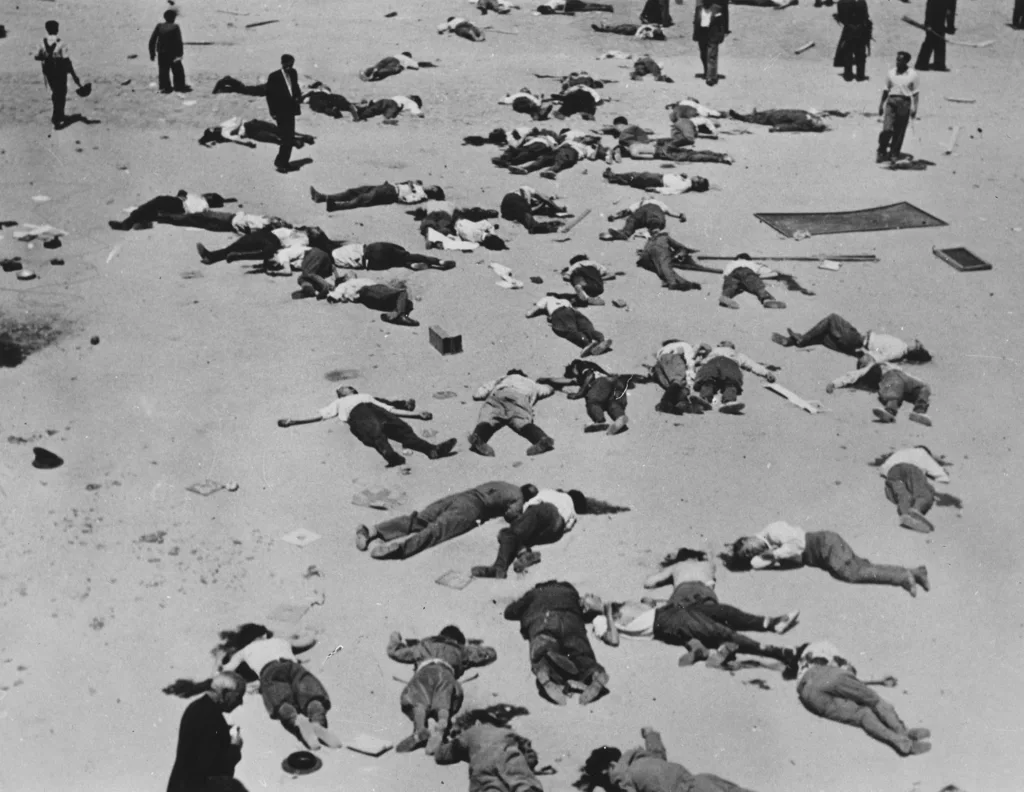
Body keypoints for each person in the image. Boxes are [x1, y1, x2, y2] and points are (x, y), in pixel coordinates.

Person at [216, 625, 343, 751]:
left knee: (280, 701)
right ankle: (318, 722)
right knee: (311, 693)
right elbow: (307, 642)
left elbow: (226, 669)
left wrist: (219, 659)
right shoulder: (281, 641)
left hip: (269, 671)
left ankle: (298, 722)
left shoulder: (244, 651)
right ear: (264, 635)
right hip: (293, 666)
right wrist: (310, 633)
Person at [795, 641, 932, 756]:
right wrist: (875, 683)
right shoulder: (822, 645)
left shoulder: (800, 663)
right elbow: (847, 672)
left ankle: (904, 745)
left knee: (862, 715)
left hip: (806, 695)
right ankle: (904, 732)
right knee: (874, 700)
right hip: (824, 673)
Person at [726, 521, 931, 595]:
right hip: (824, 550)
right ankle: (915, 572)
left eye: (747, 548)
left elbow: (797, 545)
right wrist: (757, 561)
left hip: (823, 546)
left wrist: (775, 555)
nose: (751, 552)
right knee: (862, 567)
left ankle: (903, 577)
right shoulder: (767, 548)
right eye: (747, 555)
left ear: (748, 538)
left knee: (853, 574)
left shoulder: (773, 531)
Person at [276, 385, 456, 467]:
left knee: (403, 431)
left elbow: (390, 409)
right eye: (341, 390)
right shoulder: (340, 403)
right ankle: (392, 456)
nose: (342, 389)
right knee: (376, 434)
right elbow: (320, 416)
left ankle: (432, 450)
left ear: (353, 390)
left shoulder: (366, 395)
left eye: (345, 388)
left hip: (376, 410)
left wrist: (417, 415)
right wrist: (294, 421)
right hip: (358, 415)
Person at [388, 627, 498, 754]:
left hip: (424, 673)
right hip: (447, 675)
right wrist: (471, 646)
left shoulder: (423, 645)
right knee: (444, 702)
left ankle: (420, 729)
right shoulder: (461, 650)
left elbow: (394, 652)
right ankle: (442, 724)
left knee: (417, 701)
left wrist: (395, 638)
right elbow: (491, 654)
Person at [473, 489, 629, 579]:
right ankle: (524, 553)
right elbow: (565, 527)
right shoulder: (572, 511)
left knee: (508, 532)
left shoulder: (554, 493)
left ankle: (499, 567)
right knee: (514, 536)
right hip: (556, 529)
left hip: (545, 510)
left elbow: (531, 505)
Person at [358, 482, 537, 559]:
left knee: (420, 519)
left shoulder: (505, 484)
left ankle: (374, 530)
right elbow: (511, 515)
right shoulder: (519, 497)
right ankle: (401, 549)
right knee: (438, 530)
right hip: (473, 507)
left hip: (462, 495)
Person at [502, 580, 610, 705]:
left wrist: (519, 602)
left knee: (542, 648)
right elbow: (585, 611)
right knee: (580, 651)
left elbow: (509, 613)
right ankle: (595, 673)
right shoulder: (571, 593)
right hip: (571, 621)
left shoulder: (533, 594)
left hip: (543, 620)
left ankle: (544, 671)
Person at [579, 727, 759, 792]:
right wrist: (650, 734)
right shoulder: (641, 757)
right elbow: (657, 750)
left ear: (612, 765)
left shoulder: (621, 774)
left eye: (604, 778)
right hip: (702, 780)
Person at [167, 672, 248, 792]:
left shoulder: (200, 709)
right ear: (225, 693)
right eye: (238, 696)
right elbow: (215, 769)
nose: (240, 702)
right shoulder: (211, 716)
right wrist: (234, 748)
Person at [434, 706, 545, 792]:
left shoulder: (468, 734)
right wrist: (528, 764)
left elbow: (441, 755)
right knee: (522, 782)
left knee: (489, 787)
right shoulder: (507, 732)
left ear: (477, 723)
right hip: (510, 759)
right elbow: (530, 755)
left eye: (458, 732)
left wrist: (439, 734)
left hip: (483, 768)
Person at [774, 314, 932, 364]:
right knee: (823, 337)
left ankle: (801, 340)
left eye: (917, 343)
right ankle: (792, 341)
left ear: (914, 349)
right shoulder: (901, 347)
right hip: (857, 344)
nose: (915, 340)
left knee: (832, 319)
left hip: (857, 340)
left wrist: (865, 352)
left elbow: (879, 358)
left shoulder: (898, 351)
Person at [469, 370, 557, 456]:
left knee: (487, 418)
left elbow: (479, 393)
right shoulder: (531, 383)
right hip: (519, 399)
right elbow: (547, 389)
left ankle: (478, 436)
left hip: (499, 395)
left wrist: (480, 393)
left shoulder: (502, 379)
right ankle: (541, 438)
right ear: (524, 376)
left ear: (508, 374)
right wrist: (551, 386)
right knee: (523, 422)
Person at [827, 361, 933, 427]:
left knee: (924, 388)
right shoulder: (868, 368)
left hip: (904, 376)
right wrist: (833, 384)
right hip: (891, 377)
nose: (865, 359)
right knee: (894, 387)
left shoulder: (882, 361)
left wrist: (920, 382)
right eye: (862, 361)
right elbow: (851, 376)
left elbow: (908, 376)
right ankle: (890, 410)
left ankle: (918, 411)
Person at [872, 446, 951, 533]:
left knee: (904, 496)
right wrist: (944, 475)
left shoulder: (900, 453)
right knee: (925, 493)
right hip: (910, 470)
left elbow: (882, 469)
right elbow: (938, 473)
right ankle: (916, 509)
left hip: (892, 473)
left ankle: (906, 515)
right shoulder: (921, 452)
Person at [692, 340, 777, 414]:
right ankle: (705, 399)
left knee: (727, 382)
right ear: (719, 345)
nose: (727, 344)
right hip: (717, 363)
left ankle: (728, 402)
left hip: (727, 364)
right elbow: (695, 350)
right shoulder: (712, 350)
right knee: (711, 380)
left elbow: (752, 365)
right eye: (724, 343)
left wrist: (766, 373)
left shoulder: (738, 355)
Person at [555, 359, 630, 434]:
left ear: (573, 367)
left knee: (593, 401)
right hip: (617, 385)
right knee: (613, 404)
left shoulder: (581, 365)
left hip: (602, 382)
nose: (575, 377)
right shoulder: (595, 368)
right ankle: (620, 417)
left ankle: (600, 420)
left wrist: (579, 394)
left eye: (573, 374)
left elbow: (590, 375)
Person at [34, 20, 84, 129]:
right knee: (62, 92)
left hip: (48, 71)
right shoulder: (61, 42)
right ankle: (57, 116)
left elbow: (37, 56)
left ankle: (58, 114)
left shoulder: (42, 42)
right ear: (56, 29)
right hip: (60, 70)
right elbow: (66, 60)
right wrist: (74, 75)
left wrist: (46, 57)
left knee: (55, 92)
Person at [526, 296, 612, 357]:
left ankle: (587, 344)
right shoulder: (565, 300)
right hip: (573, 311)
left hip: (559, 312)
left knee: (569, 330)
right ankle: (601, 339)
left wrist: (530, 312)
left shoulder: (546, 298)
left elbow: (531, 312)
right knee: (586, 327)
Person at [877, 52, 920, 163]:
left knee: (899, 131)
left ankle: (894, 153)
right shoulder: (891, 73)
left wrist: (915, 108)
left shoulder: (913, 75)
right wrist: (881, 104)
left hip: (904, 102)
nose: (898, 62)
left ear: (906, 61)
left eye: (900, 60)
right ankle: (882, 149)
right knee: (887, 129)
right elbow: (886, 89)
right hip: (891, 101)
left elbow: (915, 93)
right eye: (897, 60)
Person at [109, 190, 228, 230]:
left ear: (210, 199)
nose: (207, 194)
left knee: (158, 202)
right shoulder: (201, 202)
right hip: (179, 204)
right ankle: (136, 220)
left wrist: (181, 197)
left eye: (210, 195)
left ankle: (129, 223)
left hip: (179, 206)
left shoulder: (203, 204)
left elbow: (192, 212)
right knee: (154, 208)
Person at [325, 274, 418, 325]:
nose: (352, 274)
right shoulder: (345, 284)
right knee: (401, 293)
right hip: (370, 290)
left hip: (370, 297)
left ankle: (394, 313)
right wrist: (331, 295)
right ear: (345, 279)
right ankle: (399, 315)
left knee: (397, 298)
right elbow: (335, 294)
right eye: (347, 275)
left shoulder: (351, 283)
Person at [266, 54, 302, 173]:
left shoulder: (293, 73)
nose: (289, 67)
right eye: (287, 65)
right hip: (280, 111)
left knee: (290, 136)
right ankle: (281, 163)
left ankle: (283, 162)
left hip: (291, 110)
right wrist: (273, 112)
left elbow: (295, 87)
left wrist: (298, 97)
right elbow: (269, 96)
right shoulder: (274, 76)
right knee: (286, 137)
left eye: (291, 65)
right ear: (282, 63)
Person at [651, 339, 705, 415]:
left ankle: (681, 403)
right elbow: (690, 360)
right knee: (678, 381)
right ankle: (665, 403)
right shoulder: (684, 345)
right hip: (673, 358)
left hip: (660, 363)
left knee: (672, 385)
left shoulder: (663, 349)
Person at [636, 230, 703, 292]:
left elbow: (676, 244)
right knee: (661, 271)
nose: (654, 234)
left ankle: (673, 283)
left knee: (664, 267)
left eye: (656, 232)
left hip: (664, 254)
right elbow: (647, 251)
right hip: (652, 259)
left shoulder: (664, 237)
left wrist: (685, 249)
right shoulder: (649, 242)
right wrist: (642, 255)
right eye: (653, 232)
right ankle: (685, 283)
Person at [310, 180, 444, 211]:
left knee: (361, 199)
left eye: (432, 187)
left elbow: (407, 200)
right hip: (388, 187)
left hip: (390, 194)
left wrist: (411, 187)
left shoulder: (421, 195)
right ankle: (323, 198)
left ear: (433, 191)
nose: (429, 186)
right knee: (353, 192)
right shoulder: (419, 187)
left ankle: (335, 207)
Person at [718, 254, 786, 309]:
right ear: (748, 259)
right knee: (756, 285)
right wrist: (775, 272)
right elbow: (764, 270)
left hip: (732, 274)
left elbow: (725, 275)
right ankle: (766, 299)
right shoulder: (752, 263)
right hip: (746, 272)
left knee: (730, 285)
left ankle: (725, 295)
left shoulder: (731, 263)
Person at [198, 116, 315, 148]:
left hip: (251, 125)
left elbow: (237, 118)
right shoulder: (224, 133)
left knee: (277, 132)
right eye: (212, 129)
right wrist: (246, 143)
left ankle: (302, 137)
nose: (213, 127)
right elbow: (237, 138)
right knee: (274, 138)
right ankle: (298, 141)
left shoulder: (223, 125)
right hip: (251, 131)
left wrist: (237, 128)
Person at [600, 197, 684, 241]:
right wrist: (615, 216)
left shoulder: (659, 203)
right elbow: (627, 211)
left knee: (654, 218)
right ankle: (625, 234)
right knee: (632, 219)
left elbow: (670, 211)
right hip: (642, 211)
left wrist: (680, 215)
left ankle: (655, 233)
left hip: (654, 210)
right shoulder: (640, 203)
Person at [149, 9, 189, 94]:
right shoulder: (175, 27)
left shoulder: (159, 26)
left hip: (161, 53)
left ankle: (165, 87)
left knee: (163, 71)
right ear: (173, 18)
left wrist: (152, 53)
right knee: (178, 71)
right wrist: (180, 54)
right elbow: (179, 42)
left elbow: (152, 40)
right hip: (173, 53)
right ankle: (179, 86)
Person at [834, 0, 872, 82]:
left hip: (849, 31)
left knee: (848, 53)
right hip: (860, 31)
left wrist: (849, 25)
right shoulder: (862, 2)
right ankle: (860, 75)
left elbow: (841, 18)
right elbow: (866, 17)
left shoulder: (841, 3)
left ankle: (848, 74)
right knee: (860, 54)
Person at [500, 187, 566, 233]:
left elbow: (534, 207)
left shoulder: (520, 193)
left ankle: (549, 226)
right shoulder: (529, 191)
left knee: (522, 215)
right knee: (532, 225)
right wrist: (559, 209)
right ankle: (556, 229)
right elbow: (546, 200)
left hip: (505, 207)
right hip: (515, 201)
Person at [915, 0, 956, 71]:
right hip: (934, 19)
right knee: (931, 40)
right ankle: (923, 64)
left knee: (938, 40)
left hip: (937, 19)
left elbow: (950, 11)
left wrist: (950, 27)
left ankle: (937, 64)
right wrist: (928, 23)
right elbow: (949, 11)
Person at [693, 0, 727, 87]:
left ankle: (711, 77)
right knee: (703, 55)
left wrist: (721, 35)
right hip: (702, 33)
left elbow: (721, 24)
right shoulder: (698, 9)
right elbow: (696, 22)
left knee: (711, 55)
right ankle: (707, 72)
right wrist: (695, 35)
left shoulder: (717, 9)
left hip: (713, 34)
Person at [602, 168, 709, 195]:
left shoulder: (684, 186)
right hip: (659, 177)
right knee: (636, 177)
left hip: (657, 181)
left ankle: (613, 177)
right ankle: (616, 177)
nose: (697, 176)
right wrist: (681, 176)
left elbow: (671, 190)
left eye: (699, 178)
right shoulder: (687, 181)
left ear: (696, 184)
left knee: (635, 177)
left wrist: (655, 189)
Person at [727, 108, 827, 132]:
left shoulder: (804, 123)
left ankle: (741, 117)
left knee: (759, 118)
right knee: (761, 114)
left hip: (777, 119)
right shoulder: (809, 115)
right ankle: (746, 116)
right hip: (779, 112)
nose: (817, 121)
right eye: (818, 120)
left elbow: (791, 127)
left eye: (817, 123)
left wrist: (778, 128)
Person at [360, 52, 429, 82]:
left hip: (390, 58)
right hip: (396, 62)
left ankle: (366, 72)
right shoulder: (409, 59)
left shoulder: (398, 55)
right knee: (389, 71)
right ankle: (376, 74)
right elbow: (416, 67)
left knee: (378, 66)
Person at [354, 95, 423, 123]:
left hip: (384, 101)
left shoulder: (402, 97)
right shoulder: (413, 103)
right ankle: (361, 115)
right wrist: (420, 114)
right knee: (388, 111)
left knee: (375, 109)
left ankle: (364, 107)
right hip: (392, 105)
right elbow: (416, 111)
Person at [590, 23, 666, 40]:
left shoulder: (651, 32)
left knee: (619, 29)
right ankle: (606, 28)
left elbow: (643, 28)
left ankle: (602, 30)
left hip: (633, 30)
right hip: (634, 28)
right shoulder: (652, 30)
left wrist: (639, 33)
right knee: (619, 28)